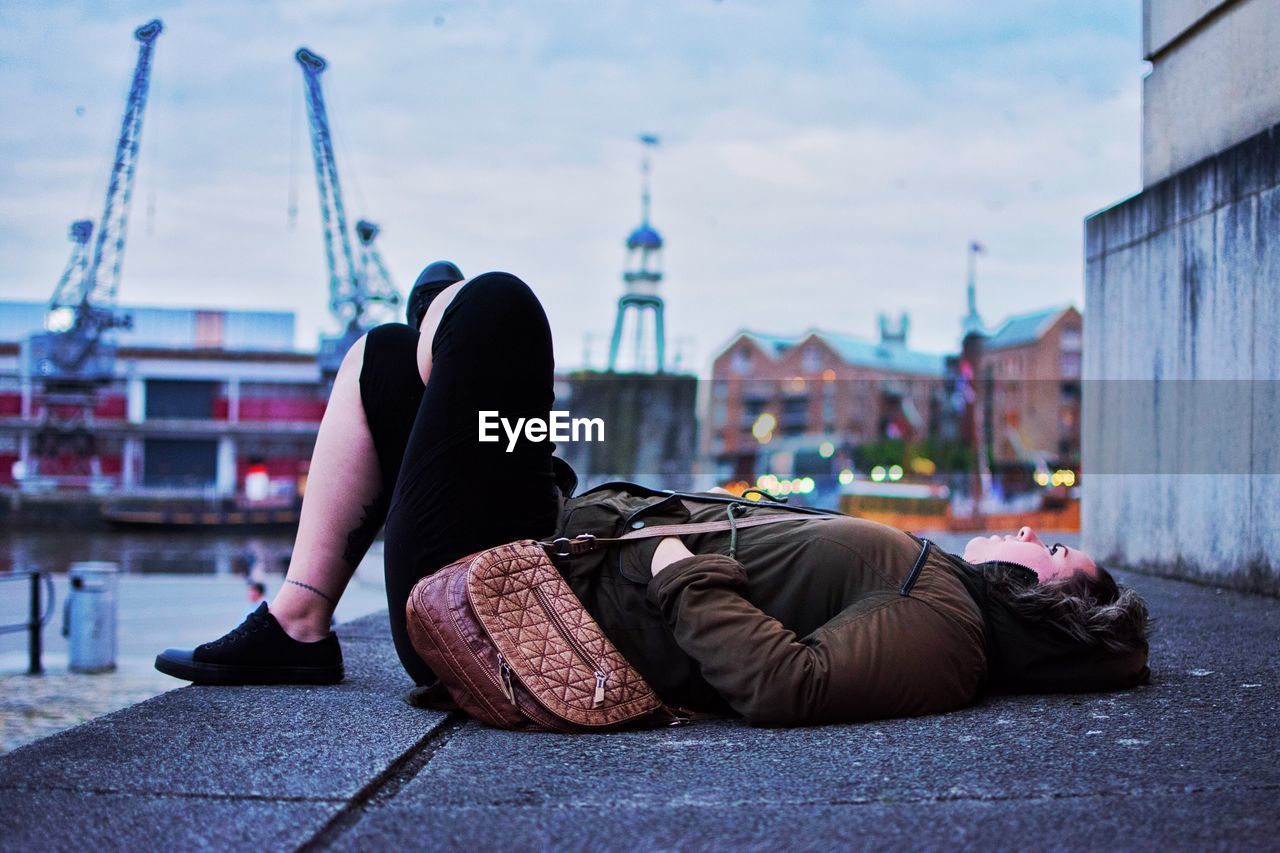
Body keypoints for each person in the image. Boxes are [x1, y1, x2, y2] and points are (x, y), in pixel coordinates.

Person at [156, 267, 1150, 725]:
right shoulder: (935, 587)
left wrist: (680, 570)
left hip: (513, 603)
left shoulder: (945, 630)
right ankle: (296, 618)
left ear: (1051, 605)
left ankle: (440, 331)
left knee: (488, 309)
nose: (1036, 532)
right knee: (394, 353)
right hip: (557, 545)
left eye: (1061, 554)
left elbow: (785, 685)